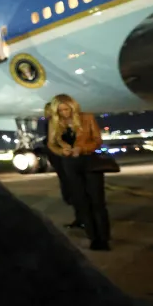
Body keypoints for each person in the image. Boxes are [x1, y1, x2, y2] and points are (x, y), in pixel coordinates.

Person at [46, 93, 110, 251]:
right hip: (70, 164)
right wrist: (62, 151)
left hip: (89, 161)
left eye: (67, 109)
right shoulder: (54, 122)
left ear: (73, 107)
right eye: (61, 110)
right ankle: (93, 238)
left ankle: (104, 238)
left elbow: (97, 140)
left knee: (97, 202)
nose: (65, 113)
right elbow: (51, 144)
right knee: (81, 202)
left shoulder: (87, 118)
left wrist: (82, 148)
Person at [43, 101, 81, 229]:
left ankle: (82, 219)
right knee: (70, 190)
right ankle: (80, 217)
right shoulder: (51, 124)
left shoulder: (59, 125)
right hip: (61, 164)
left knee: (73, 191)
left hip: (65, 163)